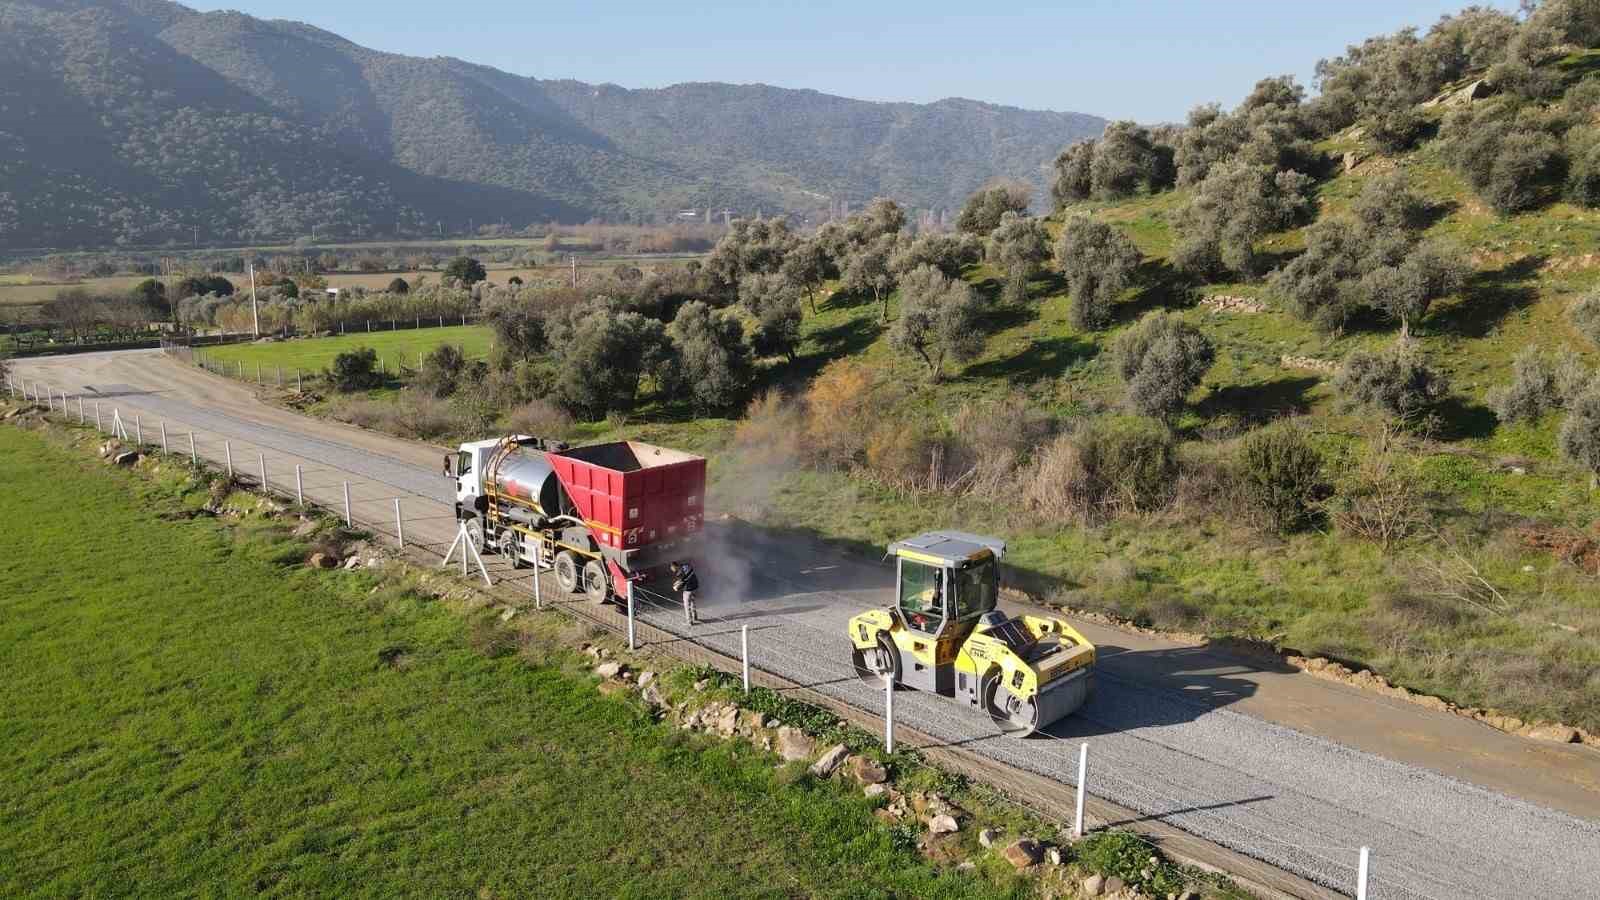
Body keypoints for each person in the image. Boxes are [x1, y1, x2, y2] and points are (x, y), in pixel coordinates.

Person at [669, 560, 699, 625]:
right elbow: (685, 578)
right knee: (693, 603)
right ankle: (695, 617)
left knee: (687, 605)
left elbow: (682, 582)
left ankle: (689, 621)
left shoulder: (679, 573)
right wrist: (677, 582)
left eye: (672, 568)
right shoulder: (687, 566)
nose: (672, 570)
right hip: (695, 587)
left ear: (675, 566)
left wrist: (676, 587)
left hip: (688, 590)